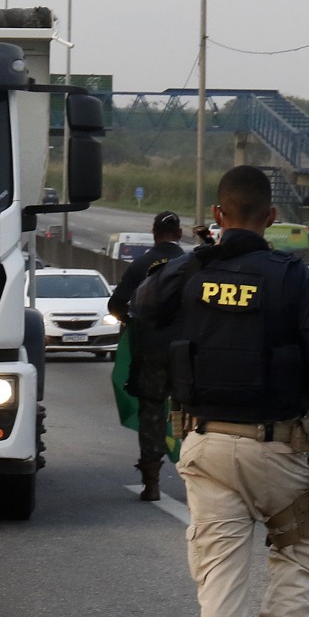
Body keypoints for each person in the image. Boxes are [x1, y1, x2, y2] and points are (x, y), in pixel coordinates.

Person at [136, 166, 309, 617]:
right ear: (272, 218)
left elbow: (141, 308)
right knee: (298, 554)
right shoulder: (294, 279)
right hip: (279, 448)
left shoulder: (192, 272)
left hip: (205, 445)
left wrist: (198, 257)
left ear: (217, 215)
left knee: (220, 574)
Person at [109, 211, 189, 501]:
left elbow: (116, 305)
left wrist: (133, 323)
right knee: (193, 413)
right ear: (179, 234)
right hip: (186, 353)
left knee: (152, 413)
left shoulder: (140, 265)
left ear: (154, 234)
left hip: (151, 351)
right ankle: (198, 479)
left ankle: (152, 484)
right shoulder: (193, 265)